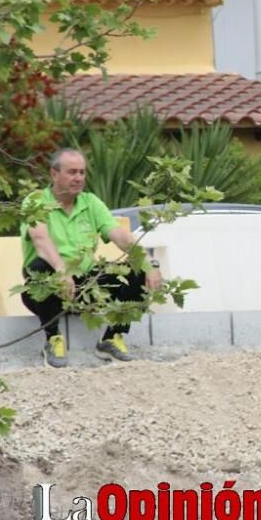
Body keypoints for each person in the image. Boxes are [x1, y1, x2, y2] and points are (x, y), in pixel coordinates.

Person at [21, 149, 163, 368]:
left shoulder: (91, 202)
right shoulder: (36, 201)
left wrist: (149, 263)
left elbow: (121, 237)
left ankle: (111, 339)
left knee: (138, 271)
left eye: (82, 172)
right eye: (72, 172)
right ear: (54, 174)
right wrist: (61, 270)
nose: (78, 178)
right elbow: (41, 241)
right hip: (46, 288)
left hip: (87, 287)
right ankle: (53, 338)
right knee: (41, 267)